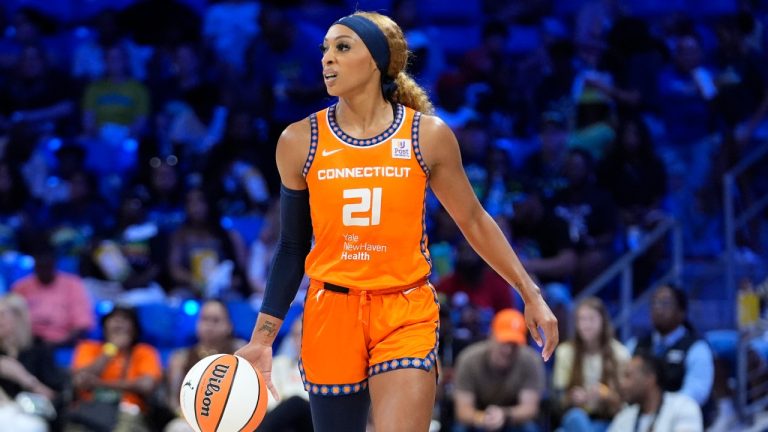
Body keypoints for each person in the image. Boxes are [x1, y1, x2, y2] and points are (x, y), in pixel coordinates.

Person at [235, 11, 558, 432]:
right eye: (325, 49)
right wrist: (262, 339)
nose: (326, 59)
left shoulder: (428, 135)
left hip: (404, 308)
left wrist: (529, 293)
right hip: (331, 311)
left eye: (342, 47)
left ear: (375, 60)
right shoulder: (298, 140)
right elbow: (293, 246)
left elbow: (474, 221)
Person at [66, 306, 163, 432]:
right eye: (114, 319)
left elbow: (147, 385)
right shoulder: (88, 348)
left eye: (125, 319)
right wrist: (111, 349)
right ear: (104, 326)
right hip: (89, 411)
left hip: (128, 412)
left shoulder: (144, 352)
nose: (119, 323)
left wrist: (98, 383)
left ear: (135, 329)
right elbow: (80, 381)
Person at [452, 309, 546, 432]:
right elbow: (463, 411)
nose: (508, 350)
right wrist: (484, 418)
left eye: (514, 344)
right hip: (478, 418)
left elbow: (529, 408)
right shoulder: (468, 359)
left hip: (512, 418)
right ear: (491, 336)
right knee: (460, 428)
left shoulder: (531, 360)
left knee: (529, 428)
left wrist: (504, 415)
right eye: (503, 343)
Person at [164, 300, 245, 432]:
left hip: (231, 418)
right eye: (204, 319)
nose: (209, 326)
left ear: (229, 325)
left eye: (216, 320)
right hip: (191, 421)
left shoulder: (241, 352)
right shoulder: (180, 358)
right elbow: (174, 401)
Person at [630, 285, 714, 409]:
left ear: (681, 312)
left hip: (680, 418)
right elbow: (625, 384)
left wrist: (662, 412)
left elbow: (694, 395)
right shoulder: (635, 344)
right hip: (640, 416)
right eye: (654, 303)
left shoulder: (696, 348)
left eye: (665, 303)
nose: (658, 308)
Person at [553, 298, 630, 432]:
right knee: (575, 418)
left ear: (603, 321)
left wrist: (605, 395)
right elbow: (558, 398)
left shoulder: (620, 353)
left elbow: (627, 403)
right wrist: (572, 397)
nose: (586, 325)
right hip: (576, 416)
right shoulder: (565, 352)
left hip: (609, 419)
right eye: (581, 319)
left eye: (591, 319)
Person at [607, 353, 702, 432]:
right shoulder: (624, 417)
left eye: (628, 376)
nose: (622, 384)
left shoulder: (683, 407)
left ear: (650, 379)